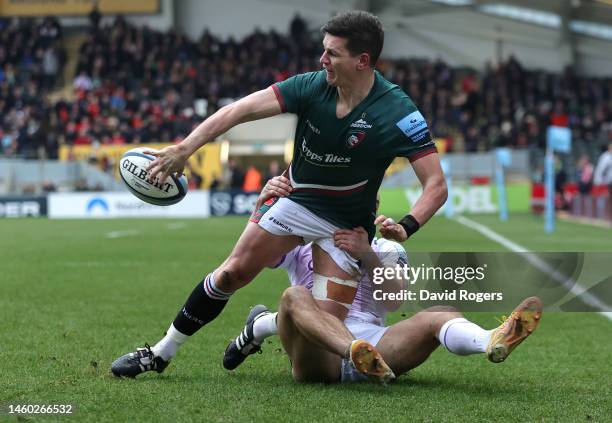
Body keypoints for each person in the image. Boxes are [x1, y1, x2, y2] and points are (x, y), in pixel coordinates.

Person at [111, 11, 447, 379]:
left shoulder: (399, 112)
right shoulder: (310, 86)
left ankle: (261, 326)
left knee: (322, 336)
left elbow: (436, 185)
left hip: (347, 226)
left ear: (362, 61)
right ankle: (161, 352)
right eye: (324, 51)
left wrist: (407, 225)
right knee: (230, 274)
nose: (323, 60)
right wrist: (185, 148)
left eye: (332, 54)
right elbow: (238, 111)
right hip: (297, 203)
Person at [222, 178, 543, 383]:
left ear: (374, 207)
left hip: (377, 349)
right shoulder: (303, 241)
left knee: (440, 313)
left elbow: (394, 300)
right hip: (320, 355)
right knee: (293, 296)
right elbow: (253, 256)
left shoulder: (386, 248)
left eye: (364, 202)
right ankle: (344, 348)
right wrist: (260, 207)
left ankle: (490, 339)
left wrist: (367, 255)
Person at [593, 142, 612, 220]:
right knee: (607, 198)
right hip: (607, 181)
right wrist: (597, 181)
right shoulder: (605, 157)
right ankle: (606, 215)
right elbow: (600, 169)